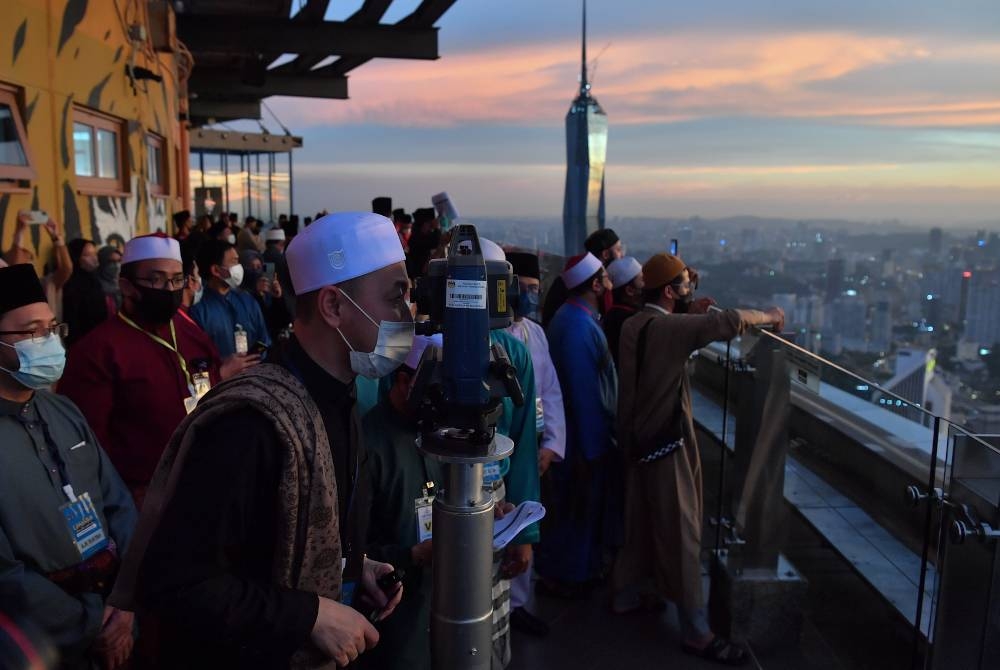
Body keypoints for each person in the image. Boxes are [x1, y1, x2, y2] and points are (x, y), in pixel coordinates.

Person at [111, 211, 409, 669]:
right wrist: (309, 616)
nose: (408, 315)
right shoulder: (251, 423)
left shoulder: (341, 398)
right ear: (333, 306)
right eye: (396, 296)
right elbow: (175, 583)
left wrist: (355, 568)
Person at [612, 253, 784, 666]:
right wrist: (770, 316)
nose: (691, 290)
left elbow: (671, 337)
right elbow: (729, 322)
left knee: (640, 523)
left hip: (636, 441)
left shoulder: (636, 324)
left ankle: (627, 595)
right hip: (667, 446)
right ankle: (696, 631)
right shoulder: (670, 329)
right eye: (685, 284)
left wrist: (689, 316)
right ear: (670, 293)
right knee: (683, 532)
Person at [0, 264, 137, 669]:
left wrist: (125, 601)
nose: (47, 341)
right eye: (31, 332)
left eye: (52, 328)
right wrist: (92, 625)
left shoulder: (64, 410)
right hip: (40, 644)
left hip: (117, 610)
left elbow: (118, 504)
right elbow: (6, 575)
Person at [59, 234, 229, 508]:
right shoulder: (96, 351)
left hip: (206, 477)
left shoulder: (190, 332)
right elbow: (89, 445)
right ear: (126, 286)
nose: (169, 288)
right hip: (143, 500)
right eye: (157, 279)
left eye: (176, 279)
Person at [536, 252, 617, 598]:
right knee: (575, 509)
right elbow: (584, 394)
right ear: (595, 285)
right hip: (581, 439)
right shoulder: (577, 326)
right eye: (606, 278)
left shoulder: (573, 318)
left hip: (576, 436)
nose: (611, 284)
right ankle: (568, 576)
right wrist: (592, 448)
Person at [362, 335, 445, 670]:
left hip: (441, 609)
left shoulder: (439, 434)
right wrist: (410, 556)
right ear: (402, 381)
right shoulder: (368, 444)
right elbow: (346, 550)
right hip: (394, 623)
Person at [504, 251, 566, 637]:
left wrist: (552, 444)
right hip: (502, 443)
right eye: (523, 288)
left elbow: (551, 392)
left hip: (534, 444)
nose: (529, 296)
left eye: (535, 289)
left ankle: (518, 604)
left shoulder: (536, 333)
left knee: (526, 520)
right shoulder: (494, 336)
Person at [191, 239, 271, 358]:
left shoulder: (247, 301)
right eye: (234, 262)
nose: (239, 267)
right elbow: (197, 358)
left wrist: (252, 360)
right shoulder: (199, 310)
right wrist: (223, 367)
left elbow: (264, 340)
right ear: (216, 270)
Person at [62, 239, 111, 346]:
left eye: (94, 254)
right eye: (87, 255)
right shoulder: (71, 285)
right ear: (76, 258)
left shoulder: (95, 280)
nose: (94, 258)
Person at [603, 256, 644, 365]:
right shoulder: (628, 321)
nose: (646, 284)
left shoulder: (612, 315)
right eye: (642, 280)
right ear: (630, 290)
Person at [97, 246, 124, 315]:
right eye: (111, 262)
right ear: (102, 262)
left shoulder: (123, 283)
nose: (117, 266)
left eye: (119, 261)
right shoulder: (95, 287)